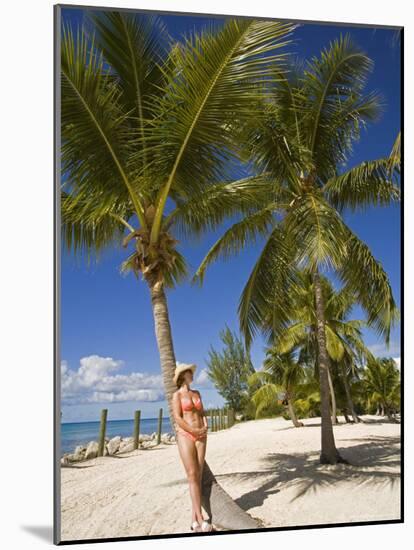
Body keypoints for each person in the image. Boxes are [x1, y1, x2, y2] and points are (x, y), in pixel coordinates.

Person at [172, 362, 213, 533]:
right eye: (189, 373)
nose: (192, 375)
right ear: (183, 376)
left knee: (199, 474)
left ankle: (193, 520)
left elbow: (201, 413)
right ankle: (201, 517)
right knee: (191, 475)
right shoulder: (177, 396)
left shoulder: (197, 393)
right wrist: (193, 430)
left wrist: (205, 425)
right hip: (186, 435)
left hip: (201, 436)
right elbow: (178, 418)